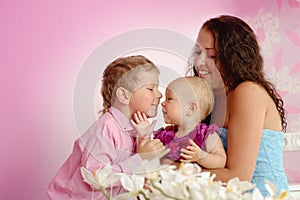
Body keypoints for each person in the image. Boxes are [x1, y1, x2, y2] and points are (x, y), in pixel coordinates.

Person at [190, 15, 289, 196]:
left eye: (211, 55)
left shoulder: (248, 92)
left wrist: (175, 174)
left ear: (235, 57)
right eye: (197, 52)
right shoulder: (213, 97)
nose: (199, 62)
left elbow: (239, 177)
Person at [47, 55, 169, 200]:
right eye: (150, 88)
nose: (159, 94)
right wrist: (140, 159)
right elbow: (96, 176)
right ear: (124, 95)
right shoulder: (106, 128)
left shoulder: (138, 128)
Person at [132, 76, 226, 169]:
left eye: (169, 99)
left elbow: (221, 160)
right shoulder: (166, 135)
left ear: (191, 109)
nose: (162, 103)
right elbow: (150, 157)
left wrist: (201, 156)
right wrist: (145, 136)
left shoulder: (206, 134)